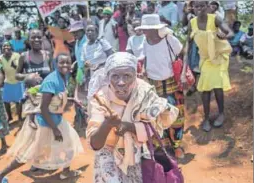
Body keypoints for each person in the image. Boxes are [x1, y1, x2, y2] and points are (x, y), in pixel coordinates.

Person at [86, 52, 179, 183]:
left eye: (127, 76)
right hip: (108, 155)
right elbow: (94, 144)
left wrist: (129, 127)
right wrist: (106, 124)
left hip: (138, 154)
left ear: (135, 76)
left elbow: (155, 126)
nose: (121, 82)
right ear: (107, 77)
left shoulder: (144, 92)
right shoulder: (101, 98)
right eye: (115, 76)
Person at [0, 54, 84, 182]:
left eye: (68, 62)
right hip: (47, 123)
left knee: (69, 143)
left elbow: (56, 98)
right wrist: (55, 129)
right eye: (61, 63)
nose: (65, 65)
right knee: (29, 152)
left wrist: (72, 99)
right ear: (55, 64)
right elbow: (43, 108)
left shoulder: (63, 77)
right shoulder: (51, 81)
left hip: (56, 119)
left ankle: (66, 171)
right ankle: (0, 175)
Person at [136, 14, 186, 159]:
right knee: (157, 117)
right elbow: (143, 60)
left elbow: (182, 54)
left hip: (172, 83)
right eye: (144, 29)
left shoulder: (169, 39)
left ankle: (177, 146)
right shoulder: (145, 42)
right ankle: (163, 146)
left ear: (154, 29)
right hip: (153, 85)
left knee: (177, 116)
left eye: (147, 29)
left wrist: (182, 73)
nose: (144, 32)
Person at [185, 1, 234, 132]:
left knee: (217, 85)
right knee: (205, 88)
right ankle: (206, 119)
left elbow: (230, 33)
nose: (199, 8)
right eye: (197, 6)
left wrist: (223, 35)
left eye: (202, 5)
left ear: (207, 7)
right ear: (193, 8)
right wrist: (185, 65)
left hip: (219, 56)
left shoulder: (215, 19)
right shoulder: (192, 23)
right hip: (205, 58)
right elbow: (188, 43)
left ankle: (221, 113)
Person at [0, 42, 24, 122]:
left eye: (7, 45)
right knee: (6, 101)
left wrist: (14, 66)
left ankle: (19, 117)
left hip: (17, 81)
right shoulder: (0, 58)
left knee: (18, 101)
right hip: (7, 82)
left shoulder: (17, 56)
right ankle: (9, 117)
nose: (6, 47)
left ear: (11, 47)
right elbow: (0, 70)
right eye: (4, 46)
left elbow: (21, 69)